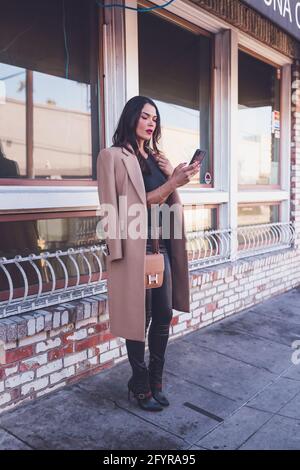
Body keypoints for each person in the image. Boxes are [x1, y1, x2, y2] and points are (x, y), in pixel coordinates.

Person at [97, 96, 200, 412]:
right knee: (136, 319)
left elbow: (169, 205)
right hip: (133, 249)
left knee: (164, 315)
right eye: (145, 116)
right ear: (131, 118)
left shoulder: (158, 159)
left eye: (155, 117)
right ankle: (139, 384)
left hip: (162, 246)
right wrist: (171, 184)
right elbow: (120, 212)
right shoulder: (111, 157)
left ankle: (156, 380)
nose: (151, 122)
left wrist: (175, 180)